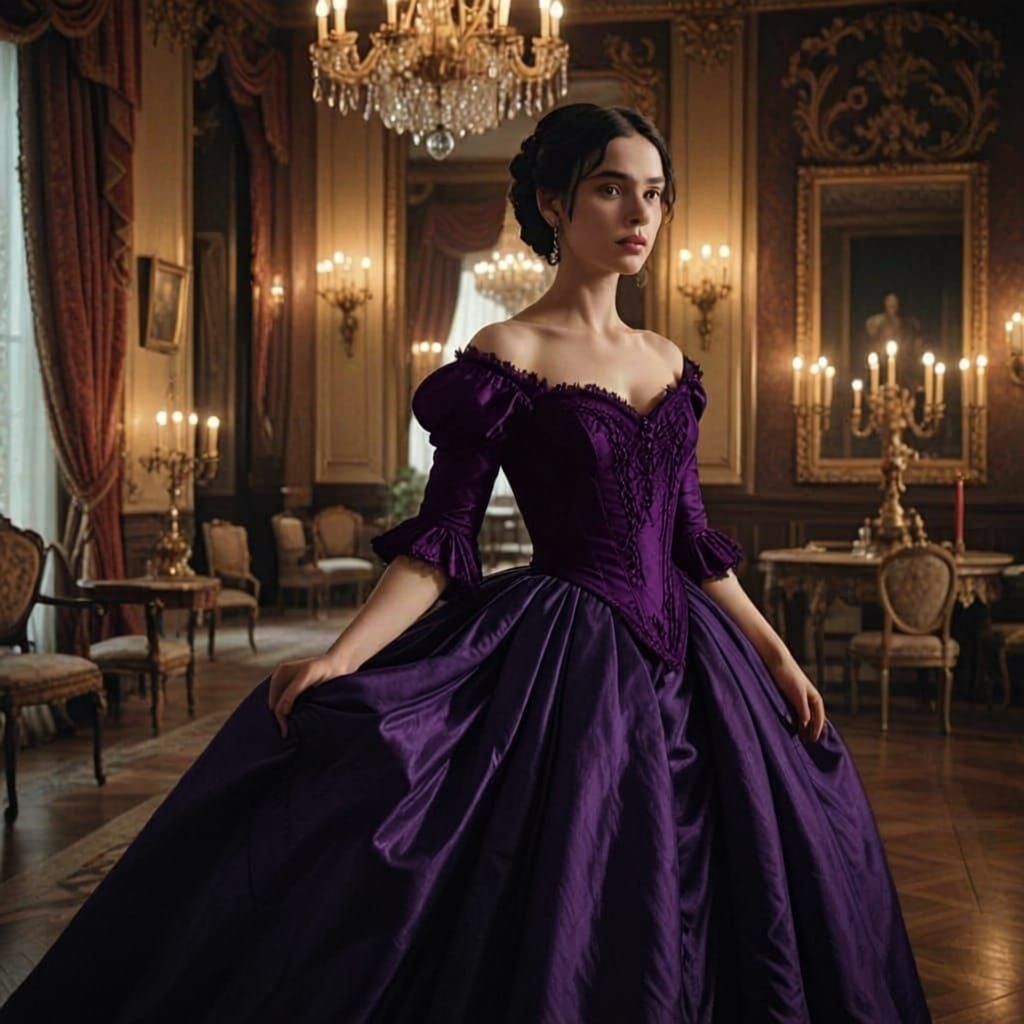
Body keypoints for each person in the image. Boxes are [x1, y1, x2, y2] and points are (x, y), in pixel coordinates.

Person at [0, 104, 930, 1023]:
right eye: (612, 190)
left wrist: (774, 655)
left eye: (653, 194)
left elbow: (691, 539)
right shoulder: (507, 353)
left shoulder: (669, 359)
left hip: (696, 659)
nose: (639, 215)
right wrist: (343, 656)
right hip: (568, 656)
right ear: (557, 206)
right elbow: (442, 544)